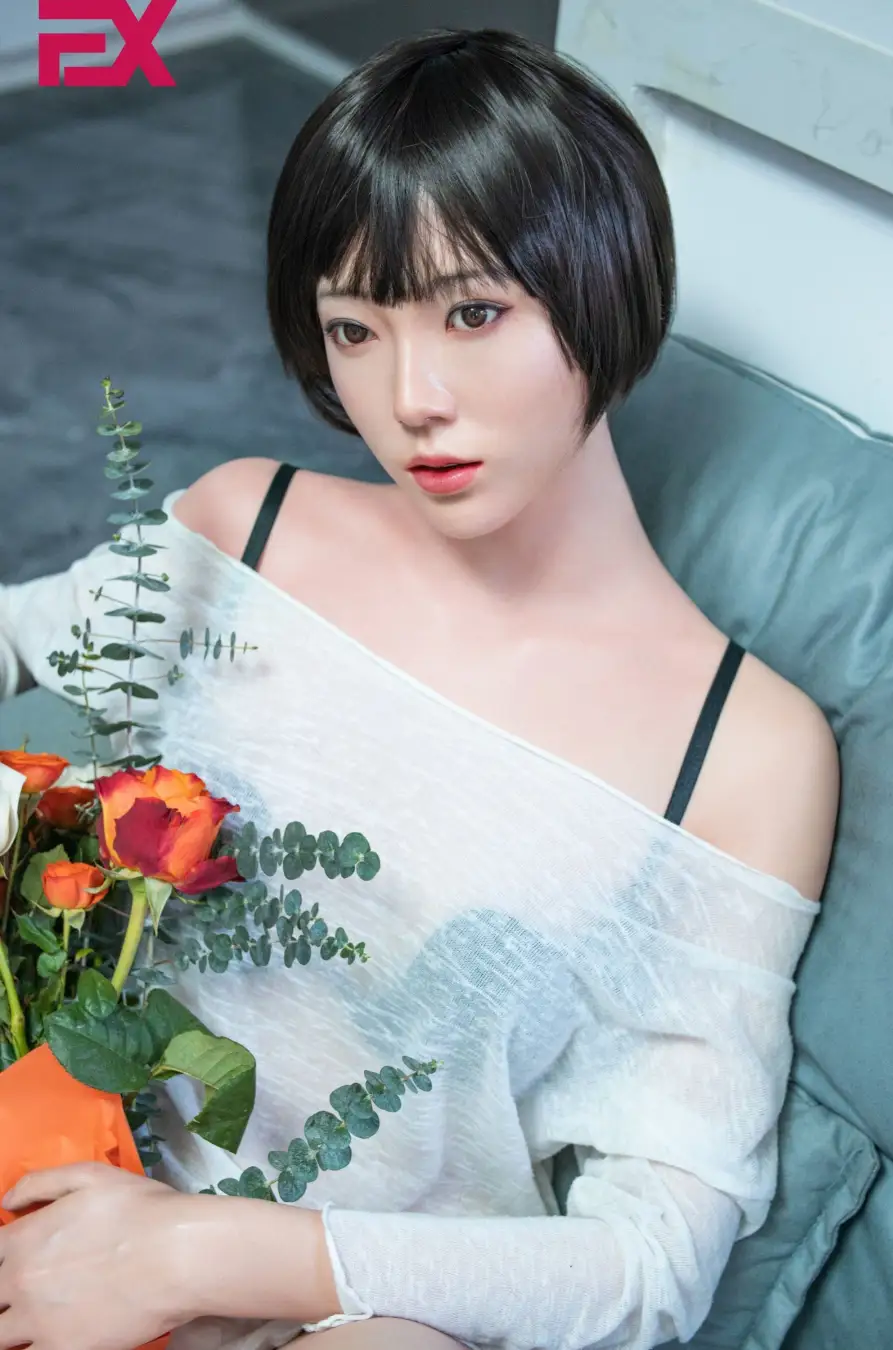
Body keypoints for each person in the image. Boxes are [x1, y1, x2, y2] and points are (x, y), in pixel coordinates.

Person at [0, 26, 838, 1350]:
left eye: (473, 313)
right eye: (354, 328)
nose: (413, 398)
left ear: (606, 287)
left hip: (361, 1311)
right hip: (51, 1178)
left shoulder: (742, 751)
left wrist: (193, 1251)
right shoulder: (247, 530)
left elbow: (653, 1259)